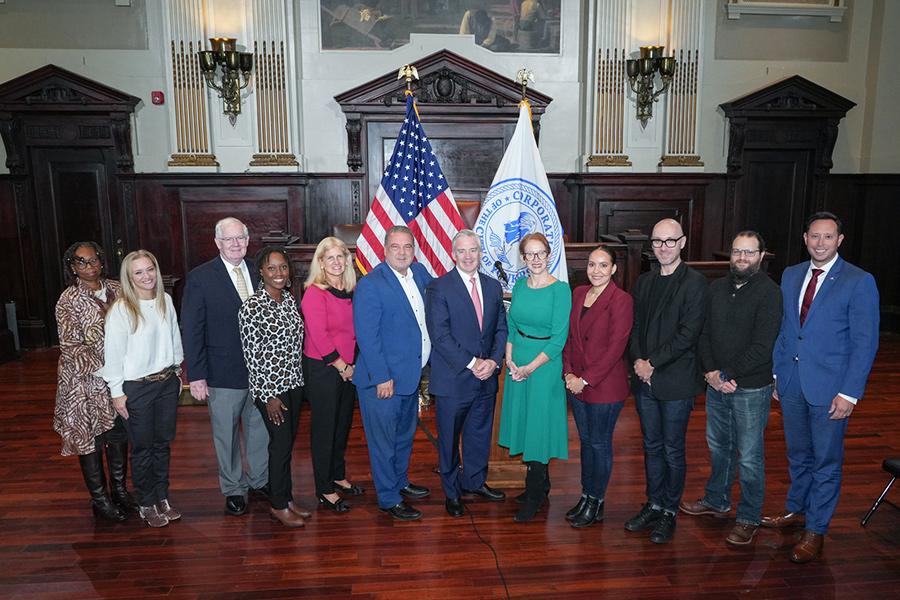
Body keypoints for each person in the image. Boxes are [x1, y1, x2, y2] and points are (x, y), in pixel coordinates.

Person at [762, 212, 880, 563]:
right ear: (805, 238)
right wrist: (777, 375)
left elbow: (865, 343)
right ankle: (796, 509)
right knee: (798, 455)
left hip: (831, 390)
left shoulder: (859, 281)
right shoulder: (791, 274)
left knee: (826, 461)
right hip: (792, 383)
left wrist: (849, 393)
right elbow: (785, 330)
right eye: (815, 236)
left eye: (828, 237)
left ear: (839, 240)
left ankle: (816, 528)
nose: (820, 243)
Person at [680, 231, 782, 546]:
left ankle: (749, 517)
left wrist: (727, 374)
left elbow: (763, 346)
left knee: (749, 456)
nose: (741, 257)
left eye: (749, 252)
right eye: (737, 251)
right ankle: (717, 500)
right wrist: (711, 373)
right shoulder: (716, 288)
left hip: (750, 387)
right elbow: (704, 334)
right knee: (718, 447)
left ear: (761, 256)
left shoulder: (770, 293)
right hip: (716, 384)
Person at [625, 218, 707, 543]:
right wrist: (638, 361)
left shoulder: (695, 283)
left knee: (672, 449)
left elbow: (688, 334)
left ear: (682, 242)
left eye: (670, 241)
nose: (663, 247)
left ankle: (670, 511)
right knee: (651, 446)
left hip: (676, 380)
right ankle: (654, 503)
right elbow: (634, 327)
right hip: (644, 380)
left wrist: (652, 363)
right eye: (657, 241)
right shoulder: (644, 282)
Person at [181, 217, 269, 517]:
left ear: (248, 240)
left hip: (261, 372)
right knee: (226, 435)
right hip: (221, 372)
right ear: (217, 243)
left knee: (259, 430)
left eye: (240, 238)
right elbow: (192, 329)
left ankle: (260, 481)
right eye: (228, 239)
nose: (235, 244)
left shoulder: (260, 271)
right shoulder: (200, 277)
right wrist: (196, 375)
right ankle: (234, 489)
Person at [425, 230, 508, 518]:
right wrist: (473, 363)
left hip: (486, 378)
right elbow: (440, 336)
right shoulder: (438, 288)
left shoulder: (492, 286)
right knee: (449, 439)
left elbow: (500, 329)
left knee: (479, 434)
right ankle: (452, 493)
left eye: (473, 250)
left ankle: (474, 482)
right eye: (462, 251)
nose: (468, 256)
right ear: (453, 254)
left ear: (480, 253)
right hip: (454, 379)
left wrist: (494, 361)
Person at [353, 226, 433, 520]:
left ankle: (400, 482)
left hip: (411, 376)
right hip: (383, 382)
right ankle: (388, 498)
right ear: (385, 249)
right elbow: (367, 337)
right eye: (395, 247)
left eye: (407, 247)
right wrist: (381, 377)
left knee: (403, 437)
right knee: (383, 443)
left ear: (414, 250)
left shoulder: (420, 274)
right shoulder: (371, 285)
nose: (402, 252)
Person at [53, 242, 136, 522]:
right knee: (91, 439)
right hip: (84, 382)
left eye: (94, 260)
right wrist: (110, 365)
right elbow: (71, 346)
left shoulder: (118, 289)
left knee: (118, 434)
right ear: (73, 267)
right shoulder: (68, 300)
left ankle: (120, 491)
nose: (89, 266)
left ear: (101, 261)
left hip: (117, 379)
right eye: (82, 261)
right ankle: (100, 500)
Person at [102, 250, 183, 528]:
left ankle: (162, 497)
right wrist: (116, 392)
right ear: (129, 277)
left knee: (162, 445)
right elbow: (113, 355)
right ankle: (146, 503)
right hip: (137, 388)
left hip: (166, 383)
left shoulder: (165, 301)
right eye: (139, 272)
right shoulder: (122, 309)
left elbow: (175, 338)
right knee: (143, 448)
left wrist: (177, 372)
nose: (146, 276)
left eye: (150, 269)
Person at [499, 232, 571, 523]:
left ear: (549, 254)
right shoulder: (519, 286)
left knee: (539, 426)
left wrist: (529, 367)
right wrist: (509, 359)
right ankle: (542, 485)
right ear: (523, 258)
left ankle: (534, 494)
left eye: (541, 253)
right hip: (517, 362)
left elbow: (558, 339)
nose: (536, 259)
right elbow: (512, 326)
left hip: (544, 365)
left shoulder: (560, 290)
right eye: (530, 254)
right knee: (525, 422)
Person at [238, 247, 310, 528]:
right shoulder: (252, 307)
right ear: (261, 271)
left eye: (283, 267)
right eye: (272, 268)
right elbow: (252, 357)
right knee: (279, 446)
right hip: (272, 391)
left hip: (294, 383)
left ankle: (287, 499)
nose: (278, 273)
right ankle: (278, 505)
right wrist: (269, 396)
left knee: (287, 445)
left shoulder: (289, 299)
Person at [562, 245, 633, 528]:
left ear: (613, 269)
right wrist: (569, 373)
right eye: (592, 264)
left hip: (603, 386)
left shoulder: (621, 300)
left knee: (599, 443)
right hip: (576, 384)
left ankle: (597, 500)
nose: (596, 270)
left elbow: (616, 348)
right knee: (586, 442)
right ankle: (586, 495)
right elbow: (569, 339)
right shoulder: (578, 293)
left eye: (603, 265)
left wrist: (585, 379)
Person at [302, 237, 363, 514]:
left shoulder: (351, 290)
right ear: (321, 262)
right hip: (325, 369)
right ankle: (324, 488)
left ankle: (338, 476)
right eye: (330, 258)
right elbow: (320, 335)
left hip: (349, 368)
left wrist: (352, 366)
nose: (337, 262)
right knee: (325, 429)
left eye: (341, 257)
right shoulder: (315, 293)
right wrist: (342, 367)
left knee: (342, 426)